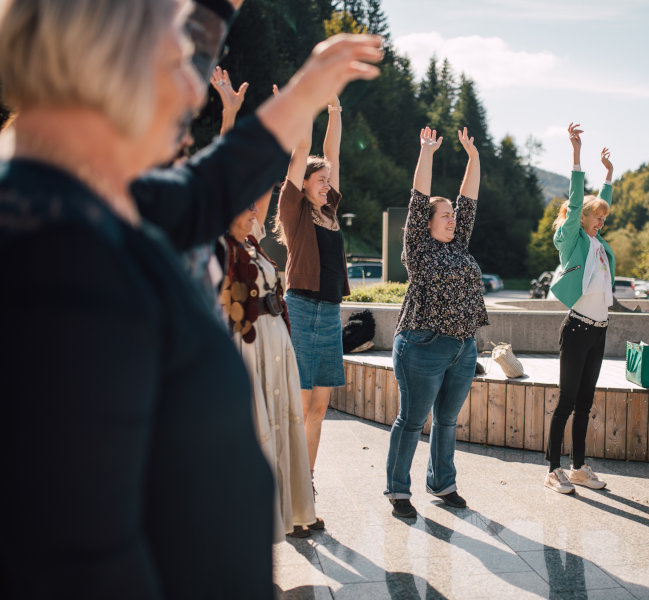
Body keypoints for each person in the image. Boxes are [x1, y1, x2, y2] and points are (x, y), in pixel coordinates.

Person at [0, 0, 382, 594]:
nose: (192, 87)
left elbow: (217, 179)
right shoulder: (47, 259)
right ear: (100, 67)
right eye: (175, 60)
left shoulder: (93, 197)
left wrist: (300, 83)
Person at [384, 126, 486, 519]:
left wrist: (473, 159)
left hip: (463, 346)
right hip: (422, 343)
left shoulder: (458, 245)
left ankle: (443, 483)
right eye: (445, 215)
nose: (453, 219)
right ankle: (397, 490)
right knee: (411, 421)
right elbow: (418, 199)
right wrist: (426, 152)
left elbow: (470, 199)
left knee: (447, 420)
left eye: (454, 216)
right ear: (426, 223)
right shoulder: (419, 246)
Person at [220, 193, 323, 539]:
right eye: (246, 205)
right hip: (249, 344)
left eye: (254, 206)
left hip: (276, 337)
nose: (254, 211)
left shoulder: (252, 243)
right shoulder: (222, 246)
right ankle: (250, 527)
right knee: (257, 426)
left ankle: (286, 516)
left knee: (281, 424)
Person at [275, 92, 346, 487]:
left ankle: (307, 480)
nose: (327, 184)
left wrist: (334, 112)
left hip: (330, 313)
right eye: (320, 180)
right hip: (300, 309)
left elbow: (329, 153)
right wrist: (304, 110)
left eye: (328, 181)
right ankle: (289, 476)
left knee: (319, 407)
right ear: (301, 185)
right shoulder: (293, 208)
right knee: (301, 404)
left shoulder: (330, 210)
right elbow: (304, 150)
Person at [543, 123, 615, 494]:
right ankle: (553, 470)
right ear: (582, 219)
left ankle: (578, 468)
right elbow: (575, 206)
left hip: (599, 330)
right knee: (567, 401)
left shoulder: (599, 244)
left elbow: (600, 205)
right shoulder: (573, 241)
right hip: (577, 329)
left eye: (603, 218)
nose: (602, 221)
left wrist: (609, 176)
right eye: (596, 217)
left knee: (585, 403)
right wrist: (577, 158)